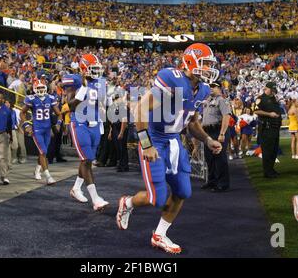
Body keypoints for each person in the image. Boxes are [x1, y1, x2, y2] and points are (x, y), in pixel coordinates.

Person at [116, 43, 222, 254]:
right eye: (205, 64)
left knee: (183, 191)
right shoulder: (172, 79)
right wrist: (146, 144)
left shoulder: (202, 89)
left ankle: (159, 235)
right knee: (158, 197)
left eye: (211, 65)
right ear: (190, 62)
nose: (209, 69)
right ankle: (127, 202)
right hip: (154, 139)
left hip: (174, 141)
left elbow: (191, 122)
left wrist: (208, 140)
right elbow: (140, 109)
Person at [63, 54, 109, 211]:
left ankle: (76, 188)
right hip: (80, 123)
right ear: (84, 69)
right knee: (86, 160)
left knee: (87, 160)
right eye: (93, 68)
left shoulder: (101, 82)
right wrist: (81, 92)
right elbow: (69, 105)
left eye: (97, 68)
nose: (96, 72)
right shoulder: (76, 81)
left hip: (95, 124)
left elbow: (101, 103)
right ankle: (96, 199)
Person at [20, 80, 62, 185]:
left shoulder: (50, 98)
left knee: (43, 152)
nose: (41, 90)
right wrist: (26, 125)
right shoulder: (32, 99)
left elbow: (59, 114)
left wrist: (58, 123)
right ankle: (48, 176)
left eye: (42, 88)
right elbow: (22, 113)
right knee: (43, 152)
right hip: (37, 129)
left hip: (47, 129)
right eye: (38, 88)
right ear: (35, 89)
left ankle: (37, 169)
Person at [202, 81, 231, 192]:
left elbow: (226, 117)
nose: (211, 88)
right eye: (210, 86)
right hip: (208, 131)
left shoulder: (222, 100)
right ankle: (212, 181)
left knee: (219, 158)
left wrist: (222, 133)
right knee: (209, 158)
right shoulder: (208, 101)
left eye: (213, 86)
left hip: (218, 130)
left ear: (219, 88)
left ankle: (223, 184)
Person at [254, 82, 282, 178]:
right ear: (267, 88)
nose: (273, 91)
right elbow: (255, 110)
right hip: (267, 128)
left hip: (275, 127)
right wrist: (269, 114)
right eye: (272, 89)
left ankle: (271, 169)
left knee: (274, 150)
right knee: (267, 151)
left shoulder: (273, 98)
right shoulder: (260, 99)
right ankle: (267, 172)